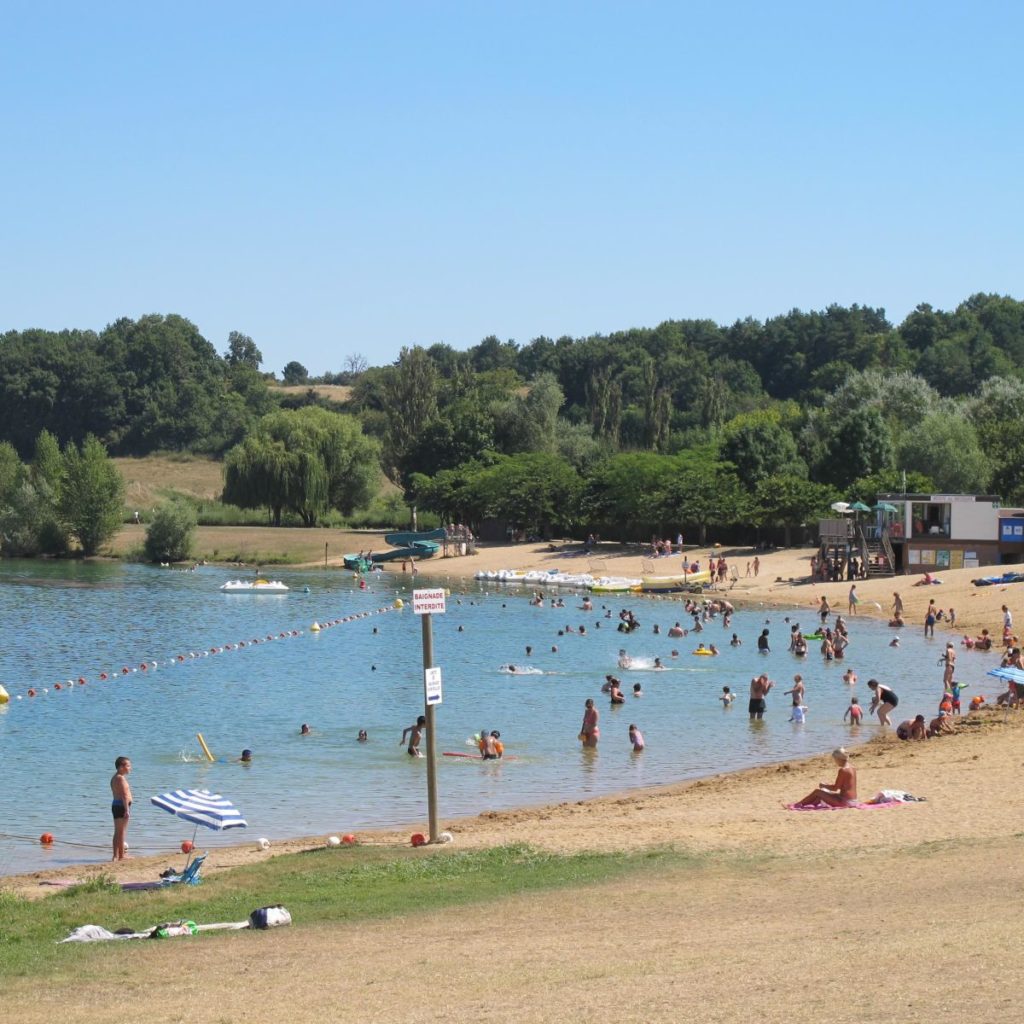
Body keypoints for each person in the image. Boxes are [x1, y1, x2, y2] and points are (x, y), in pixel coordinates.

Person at [793, 748, 857, 807]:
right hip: (853, 800)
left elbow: (835, 788)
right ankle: (810, 804)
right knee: (822, 795)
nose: (835, 762)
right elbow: (844, 786)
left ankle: (798, 804)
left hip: (845, 802)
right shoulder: (852, 768)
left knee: (817, 792)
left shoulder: (843, 770)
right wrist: (827, 785)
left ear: (838, 759)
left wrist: (824, 785)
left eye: (835, 759)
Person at [110, 756, 133, 861]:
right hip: (122, 806)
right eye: (128, 766)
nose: (130, 768)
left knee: (117, 831)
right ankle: (121, 856)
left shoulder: (114, 778)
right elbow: (124, 795)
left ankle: (115, 855)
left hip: (116, 804)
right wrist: (127, 810)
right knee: (122, 831)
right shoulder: (120, 778)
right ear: (121, 767)